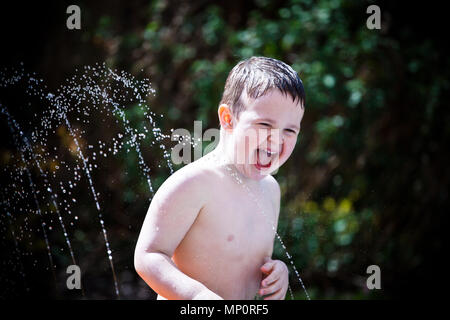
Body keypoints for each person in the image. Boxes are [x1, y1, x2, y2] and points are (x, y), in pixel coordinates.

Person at [134, 56, 305, 300]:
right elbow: (148, 256)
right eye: (265, 124)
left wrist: (278, 272)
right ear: (228, 119)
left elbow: (253, 262)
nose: (277, 140)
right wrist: (197, 295)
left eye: (290, 130)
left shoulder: (270, 190)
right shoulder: (194, 183)